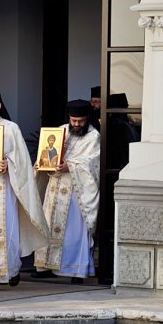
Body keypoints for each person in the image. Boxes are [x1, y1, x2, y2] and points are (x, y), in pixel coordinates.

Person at [0, 89, 50, 292]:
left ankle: (10, 271)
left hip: (5, 189)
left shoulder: (11, 128)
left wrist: (8, 163)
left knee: (8, 230)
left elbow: (22, 160)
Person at [34, 100, 100, 283]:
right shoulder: (60, 131)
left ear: (87, 119)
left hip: (75, 191)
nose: (76, 125)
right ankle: (46, 266)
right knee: (49, 225)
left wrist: (69, 166)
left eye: (80, 121)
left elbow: (93, 164)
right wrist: (43, 163)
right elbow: (47, 153)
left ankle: (75, 271)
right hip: (55, 188)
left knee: (74, 232)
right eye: (74, 121)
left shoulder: (93, 136)